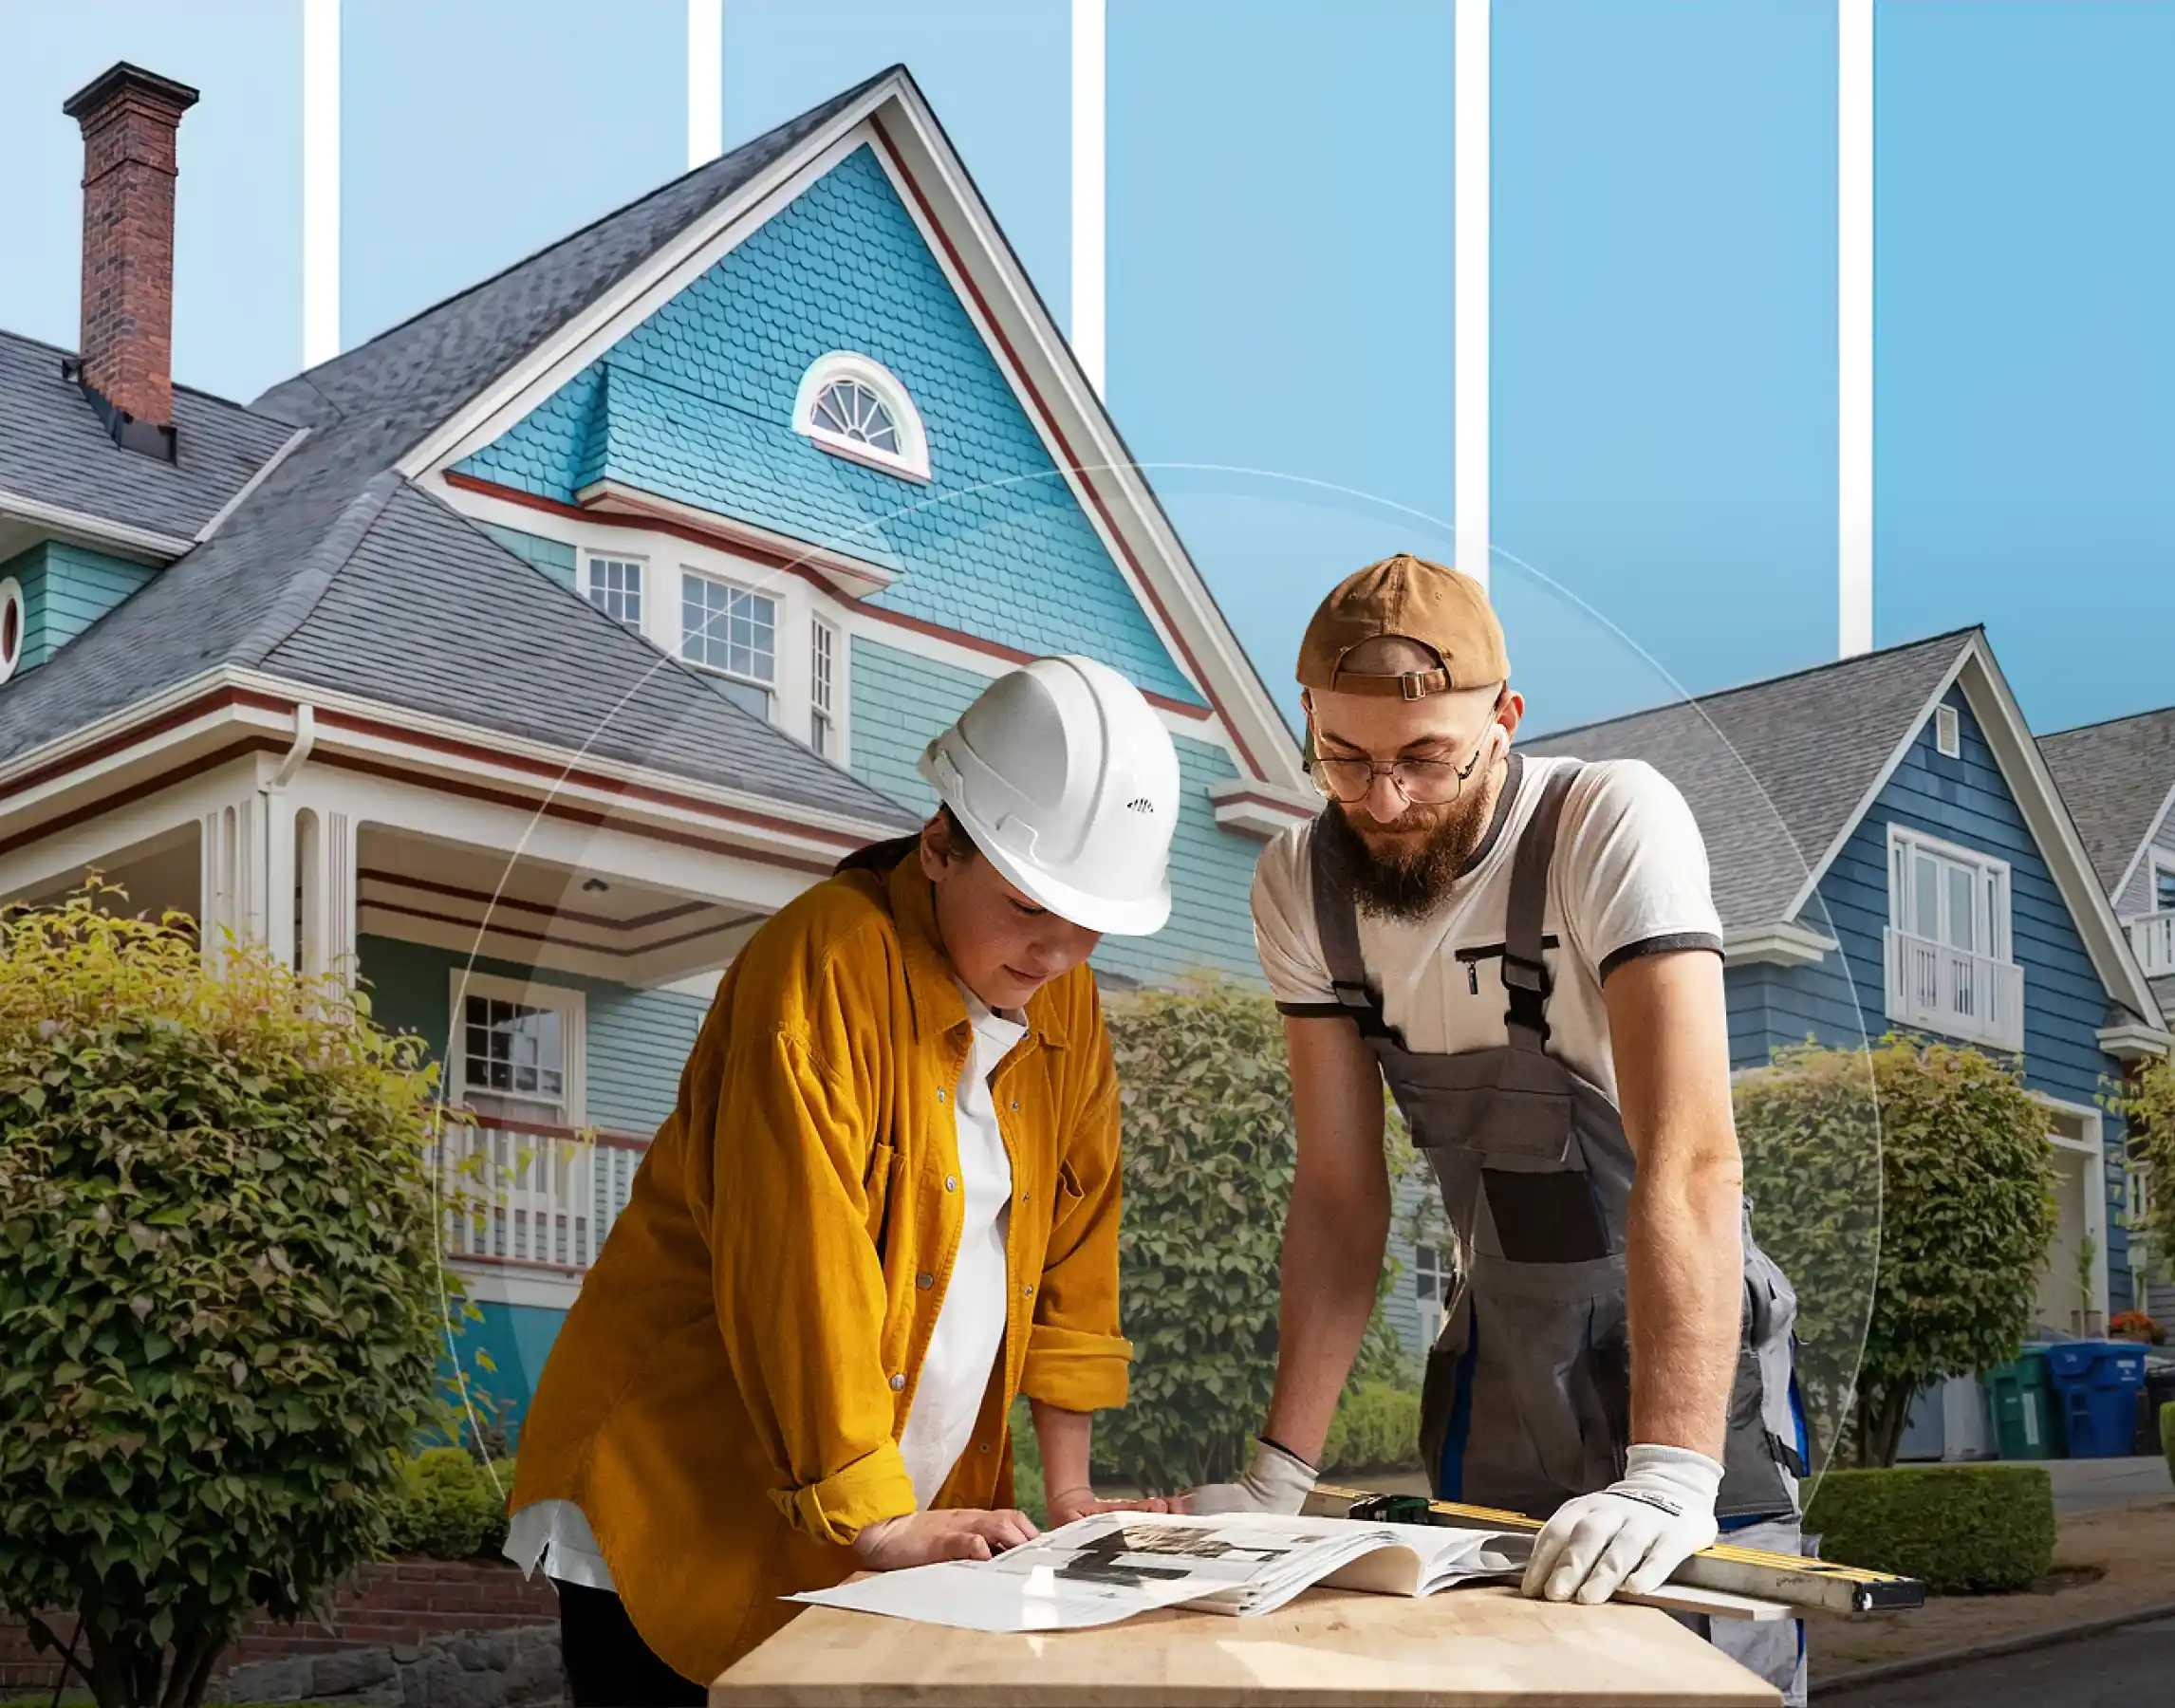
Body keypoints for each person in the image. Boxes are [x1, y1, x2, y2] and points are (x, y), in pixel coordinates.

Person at [1189, 554, 1809, 1705]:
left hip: (1681, 1338)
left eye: (1425, 760)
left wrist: (1673, 1477)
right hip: (1502, 1351)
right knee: (1489, 1668)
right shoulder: (1300, 885)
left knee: (1706, 1674)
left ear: (1504, 720)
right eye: (1344, 758)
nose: (1383, 802)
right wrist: (1279, 1476)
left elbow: (1690, 1162)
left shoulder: (1607, 822)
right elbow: (1339, 1199)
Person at [505, 655, 1183, 1705]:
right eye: (1027, 907)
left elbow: (1075, 1254)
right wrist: (876, 1520)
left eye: (1089, 923)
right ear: (939, 848)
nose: (1056, 952)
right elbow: (799, 1263)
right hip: (677, 1485)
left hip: (875, 1511)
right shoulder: (821, 965)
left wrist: (1072, 1489)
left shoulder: (1066, 1005)